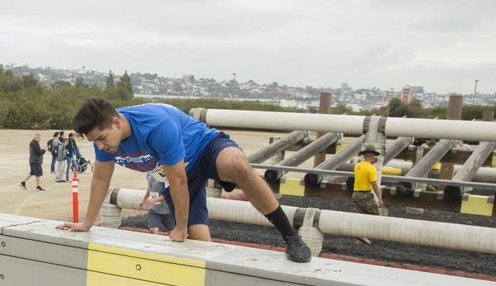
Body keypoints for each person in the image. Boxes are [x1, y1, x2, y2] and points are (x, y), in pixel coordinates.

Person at [57, 97, 312, 262]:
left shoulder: (156, 126)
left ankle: (290, 235)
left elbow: (177, 180)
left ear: (116, 123)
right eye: (94, 142)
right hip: (174, 173)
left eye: (102, 138)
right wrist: (87, 223)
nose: (100, 146)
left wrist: (180, 226)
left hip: (202, 149)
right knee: (199, 248)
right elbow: (101, 179)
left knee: (237, 165)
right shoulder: (103, 142)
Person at [352, 146, 384, 245]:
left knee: (361, 216)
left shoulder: (357, 166)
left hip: (355, 194)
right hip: (365, 194)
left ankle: (361, 240)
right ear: (373, 157)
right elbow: (374, 184)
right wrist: (380, 198)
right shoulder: (371, 168)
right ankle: (366, 235)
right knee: (374, 215)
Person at [141, 169, 176, 234]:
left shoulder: (165, 176)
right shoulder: (149, 174)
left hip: (167, 210)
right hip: (154, 208)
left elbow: (169, 193)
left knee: (172, 232)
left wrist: (154, 200)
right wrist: (143, 200)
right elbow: (149, 188)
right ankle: (155, 243)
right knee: (153, 230)